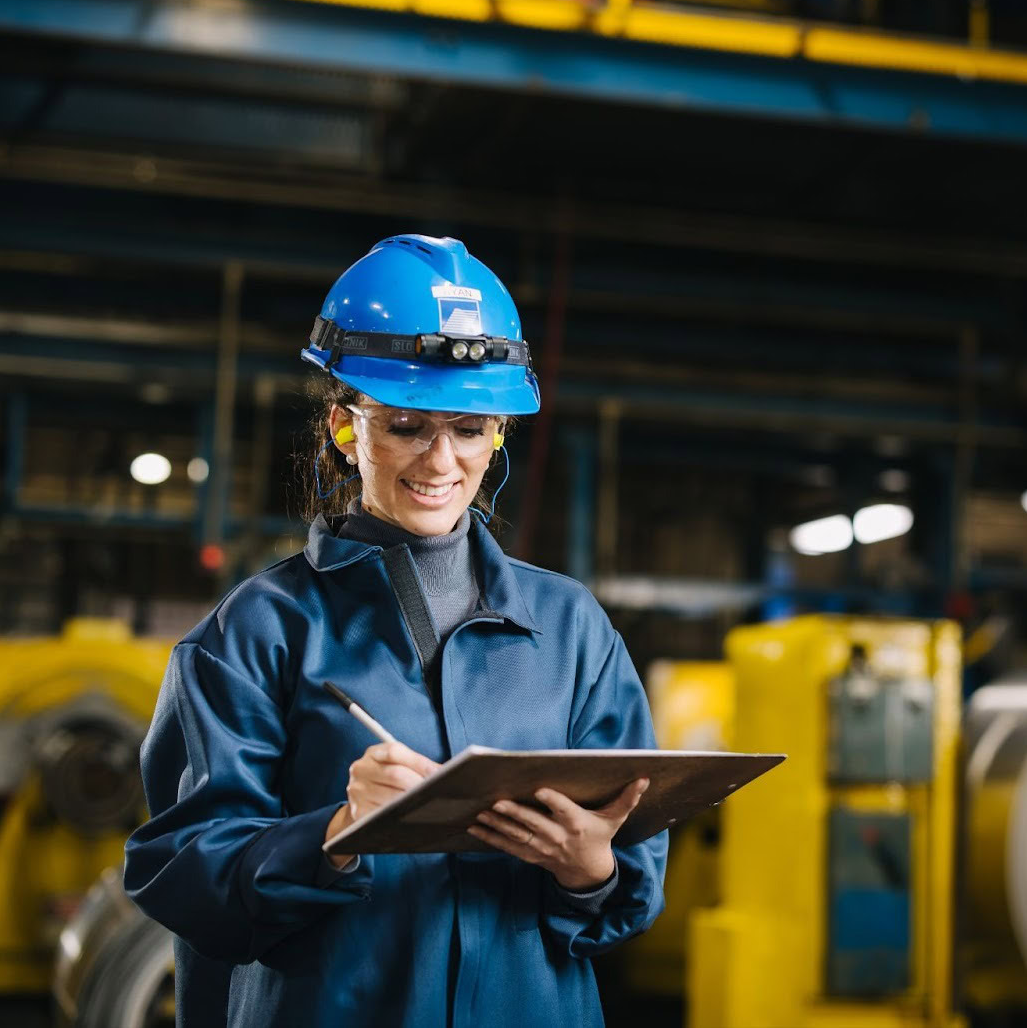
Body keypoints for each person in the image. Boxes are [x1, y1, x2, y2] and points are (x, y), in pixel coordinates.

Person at [124, 234, 668, 1027]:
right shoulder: (255, 633)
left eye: (469, 428)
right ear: (348, 428)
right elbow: (181, 868)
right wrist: (337, 833)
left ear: (499, 434)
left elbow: (629, 879)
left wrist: (591, 870)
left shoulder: (571, 631)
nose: (441, 459)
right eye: (408, 425)